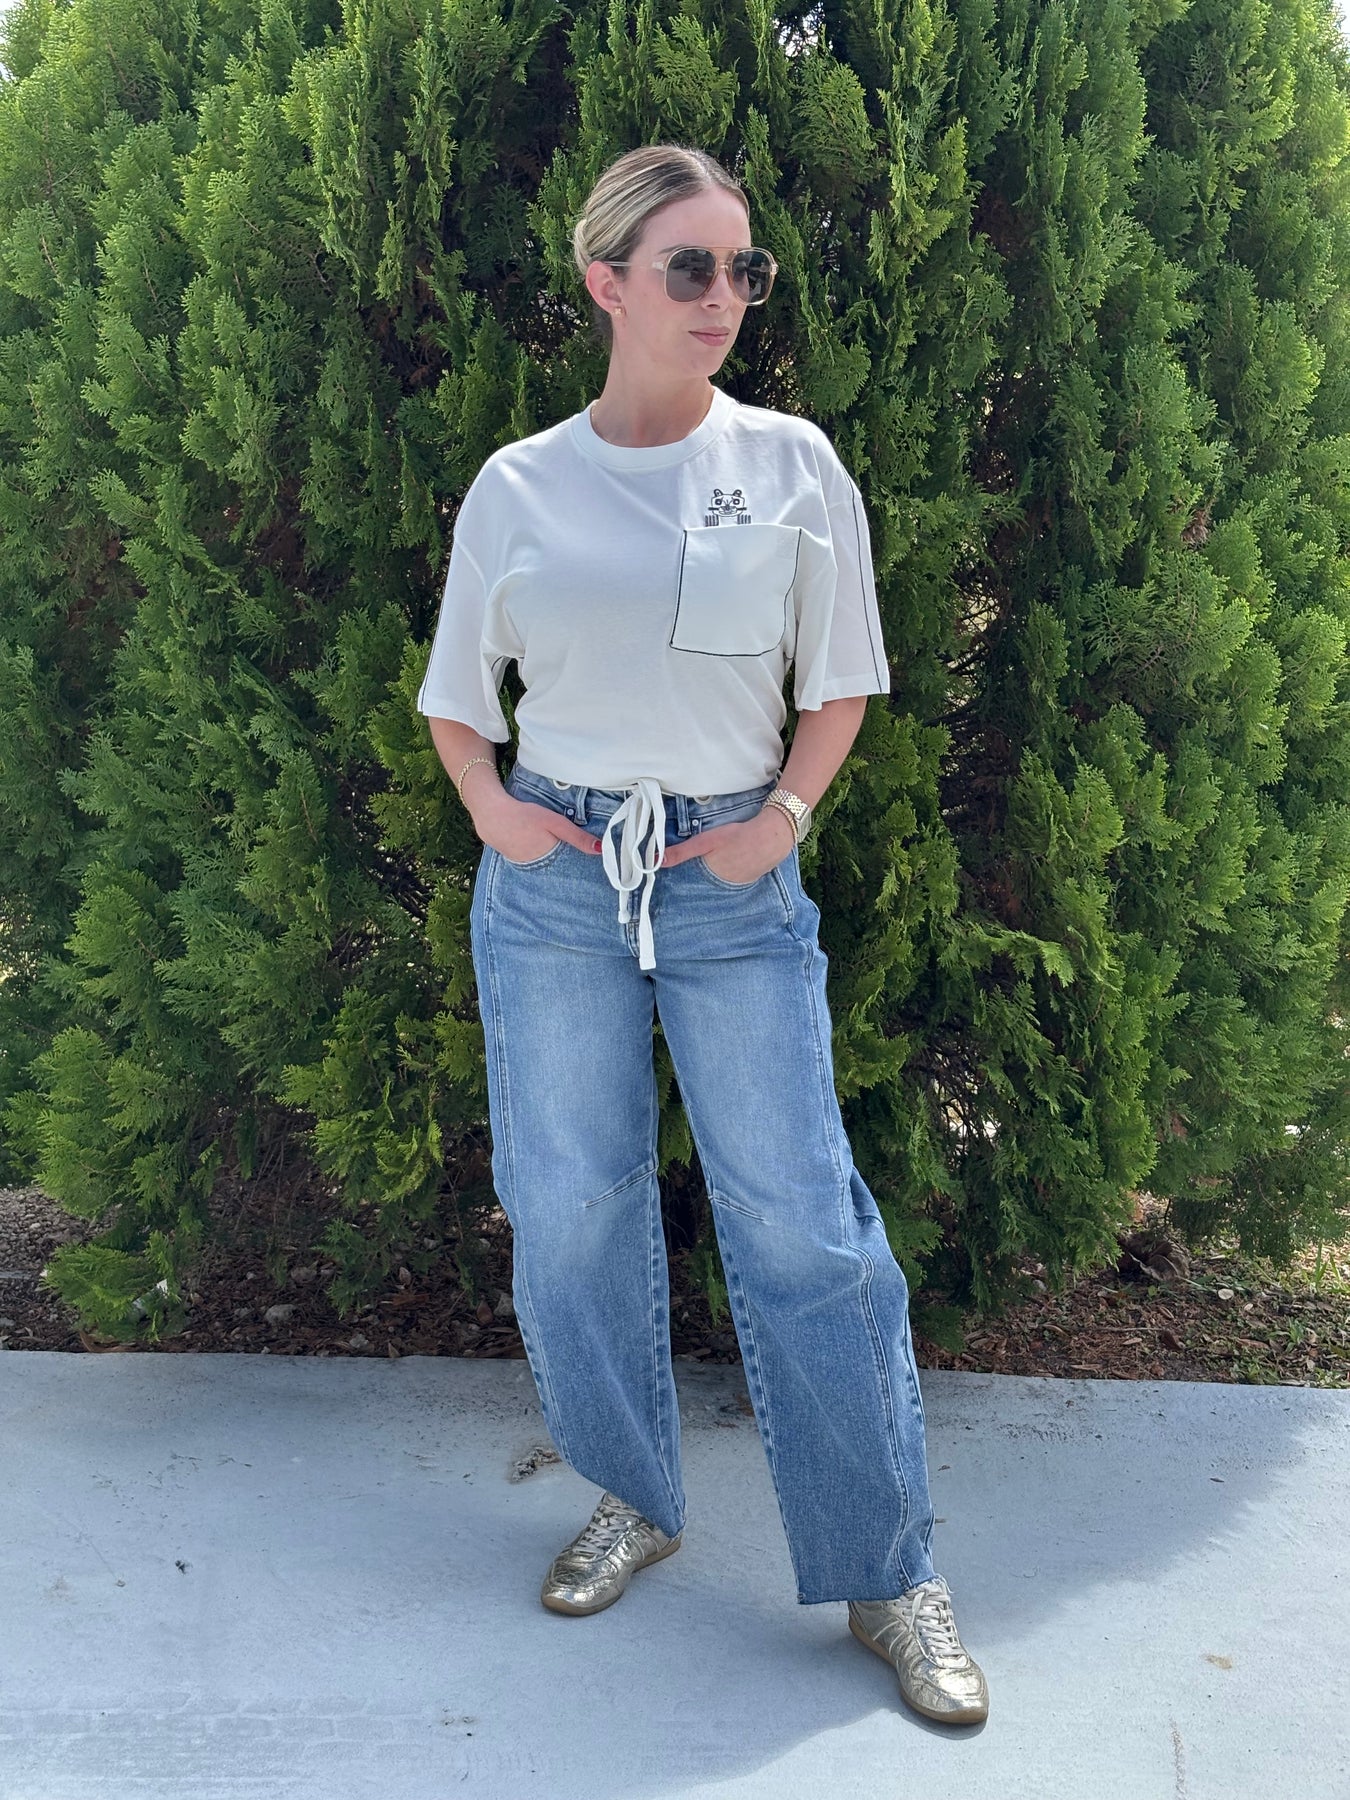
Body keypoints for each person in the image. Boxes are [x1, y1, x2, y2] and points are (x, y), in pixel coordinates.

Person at [418, 142, 989, 1727]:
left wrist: (780, 822)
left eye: (745, 268)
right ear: (605, 281)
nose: (724, 295)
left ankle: (889, 1570)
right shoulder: (520, 485)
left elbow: (841, 680)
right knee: (568, 1208)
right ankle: (633, 1494)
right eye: (690, 267)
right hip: (557, 882)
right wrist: (494, 811)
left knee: (804, 1222)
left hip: (731, 876)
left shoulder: (793, 464)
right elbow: (459, 699)